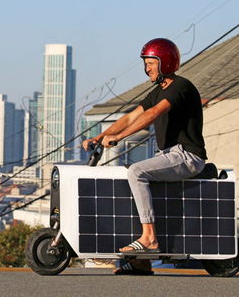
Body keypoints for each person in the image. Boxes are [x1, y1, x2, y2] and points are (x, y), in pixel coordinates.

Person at [83, 38, 207, 258]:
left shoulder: (181, 87)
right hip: (168, 155)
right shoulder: (157, 91)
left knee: (137, 172)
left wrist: (119, 137)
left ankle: (149, 238)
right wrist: (100, 136)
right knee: (131, 177)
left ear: (165, 62)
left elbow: (153, 114)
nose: (146, 68)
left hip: (187, 156)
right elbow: (132, 116)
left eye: (150, 63)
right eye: (146, 63)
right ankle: (141, 259)